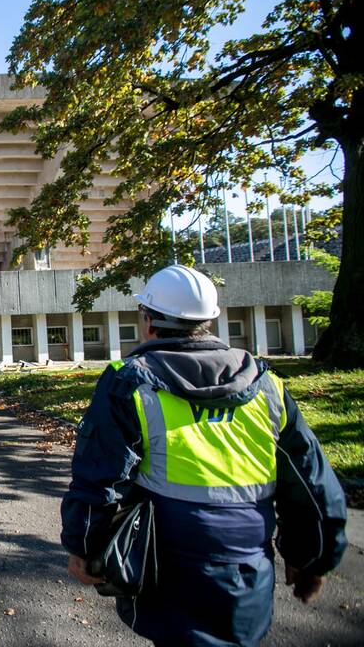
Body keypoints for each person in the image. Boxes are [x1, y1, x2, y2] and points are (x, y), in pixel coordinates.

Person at [61, 264, 346, 647]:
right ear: (212, 320)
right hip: (247, 561)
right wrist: (312, 556)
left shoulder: (130, 381)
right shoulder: (266, 385)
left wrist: (83, 545)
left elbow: (99, 474)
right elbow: (309, 480)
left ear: (148, 321)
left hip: (165, 562)